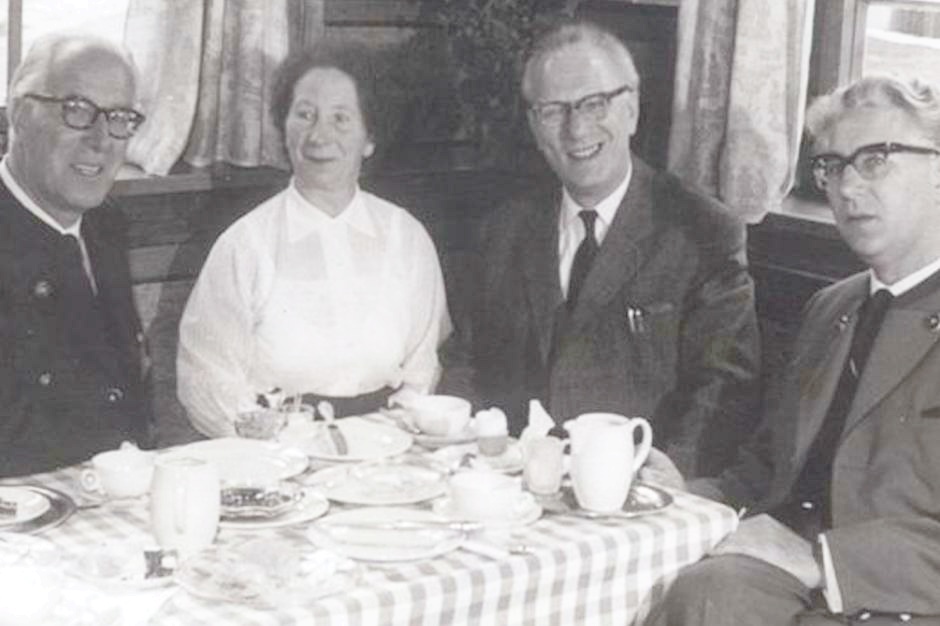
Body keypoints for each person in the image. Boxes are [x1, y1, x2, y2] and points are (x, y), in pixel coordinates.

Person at [646, 75, 940, 625]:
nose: (847, 187)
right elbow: (764, 471)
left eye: (875, 159)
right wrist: (681, 495)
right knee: (682, 589)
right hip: (783, 583)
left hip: (903, 601)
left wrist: (824, 560)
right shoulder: (830, 309)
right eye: (832, 166)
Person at [442, 19, 760, 476]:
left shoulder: (702, 231)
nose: (576, 129)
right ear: (534, 126)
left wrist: (670, 476)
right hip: (512, 485)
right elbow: (466, 362)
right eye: (554, 111)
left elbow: (723, 388)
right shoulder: (504, 229)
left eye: (594, 104)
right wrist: (465, 452)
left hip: (640, 487)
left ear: (631, 110)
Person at [177, 42, 452, 437]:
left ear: (369, 138)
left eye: (341, 118)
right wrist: (271, 440)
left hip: (387, 447)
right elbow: (207, 374)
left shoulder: (406, 237)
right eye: (305, 115)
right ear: (284, 128)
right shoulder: (245, 244)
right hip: (274, 452)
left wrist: (388, 437)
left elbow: (422, 365)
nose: (319, 135)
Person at [0, 33, 151, 476]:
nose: (101, 140)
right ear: (21, 115)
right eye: (78, 110)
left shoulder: (105, 225)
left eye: (119, 118)